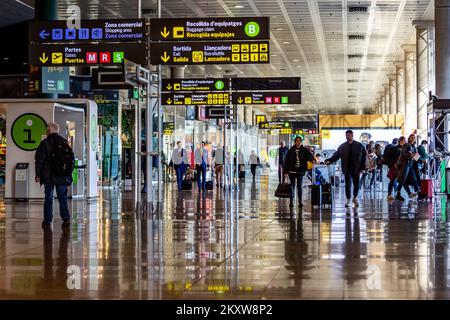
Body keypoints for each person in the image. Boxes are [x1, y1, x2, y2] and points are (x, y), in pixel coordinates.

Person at [35, 123, 74, 228]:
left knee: (49, 197)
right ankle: (66, 218)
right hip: (61, 175)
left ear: (49, 130)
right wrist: (68, 173)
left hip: (48, 175)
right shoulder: (64, 142)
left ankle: (47, 220)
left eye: (47, 129)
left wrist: (38, 174)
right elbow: (71, 159)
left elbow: (39, 160)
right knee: (62, 197)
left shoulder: (45, 143)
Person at [325, 130, 366, 208]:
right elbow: (336, 155)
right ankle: (348, 199)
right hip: (346, 168)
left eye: (348, 135)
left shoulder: (360, 146)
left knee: (356, 184)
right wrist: (329, 160)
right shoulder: (343, 146)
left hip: (356, 168)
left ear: (352, 135)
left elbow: (363, 157)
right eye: (346, 136)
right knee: (348, 184)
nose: (347, 137)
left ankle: (355, 197)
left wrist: (363, 167)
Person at [284, 136, 315, 208]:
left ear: (301, 142)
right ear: (295, 142)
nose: (298, 142)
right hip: (291, 171)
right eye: (297, 141)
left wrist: (313, 160)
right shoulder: (291, 150)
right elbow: (286, 161)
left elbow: (309, 156)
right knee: (292, 186)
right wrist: (286, 171)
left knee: (299, 186)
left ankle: (300, 202)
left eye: (299, 141)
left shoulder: (304, 150)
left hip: (300, 171)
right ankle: (291, 202)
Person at [395, 134, 421, 201]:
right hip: (405, 164)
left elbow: (416, 157)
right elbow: (404, 154)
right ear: (409, 138)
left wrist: (416, 156)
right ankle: (400, 193)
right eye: (411, 137)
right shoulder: (406, 145)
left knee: (412, 178)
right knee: (403, 180)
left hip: (411, 165)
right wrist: (412, 155)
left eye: (414, 138)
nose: (413, 138)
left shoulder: (414, 147)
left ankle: (417, 192)